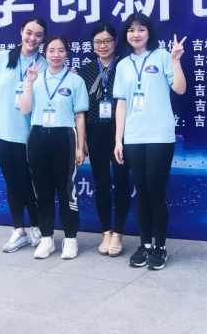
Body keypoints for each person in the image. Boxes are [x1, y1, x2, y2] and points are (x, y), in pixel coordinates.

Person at [113, 12, 186, 270]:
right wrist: (119, 140)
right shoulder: (123, 65)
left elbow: (179, 88)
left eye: (141, 29)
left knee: (155, 191)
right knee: (141, 193)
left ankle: (160, 246)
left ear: (149, 32)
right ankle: (144, 245)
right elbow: (121, 104)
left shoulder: (163, 56)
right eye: (131, 30)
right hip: (134, 137)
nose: (136, 34)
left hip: (159, 136)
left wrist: (176, 61)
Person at [0, 17, 47, 253]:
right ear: (21, 32)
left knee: (27, 181)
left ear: (43, 38)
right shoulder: (3, 57)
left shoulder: (44, 64)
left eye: (38, 35)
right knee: (11, 181)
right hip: (0, 130)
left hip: (26, 133)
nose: (32, 38)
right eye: (29, 32)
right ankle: (18, 230)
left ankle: (36, 227)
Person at [20, 36, 89, 260]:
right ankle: (47, 238)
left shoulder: (75, 80)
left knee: (67, 189)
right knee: (42, 190)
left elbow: (79, 116)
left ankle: (70, 238)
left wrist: (80, 146)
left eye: (60, 50)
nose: (56, 55)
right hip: (38, 136)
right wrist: (29, 82)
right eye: (51, 50)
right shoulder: (35, 78)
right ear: (45, 53)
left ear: (67, 53)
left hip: (64, 136)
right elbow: (24, 109)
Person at [79, 22, 130, 257]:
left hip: (121, 131)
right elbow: (80, 108)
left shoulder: (126, 66)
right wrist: (82, 140)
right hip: (96, 130)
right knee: (100, 182)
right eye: (98, 42)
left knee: (121, 180)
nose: (103, 46)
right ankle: (106, 231)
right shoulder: (87, 70)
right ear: (92, 44)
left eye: (107, 41)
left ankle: (118, 232)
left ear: (116, 42)